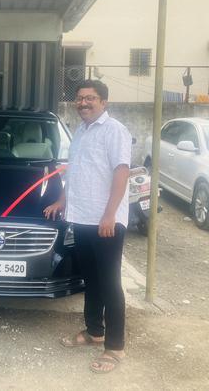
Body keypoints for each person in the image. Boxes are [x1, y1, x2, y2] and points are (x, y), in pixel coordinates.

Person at [44, 79, 131, 374]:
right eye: (80, 98)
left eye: (90, 98)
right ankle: (95, 331)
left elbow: (122, 172)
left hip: (105, 221)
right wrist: (61, 200)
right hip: (80, 217)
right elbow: (76, 173)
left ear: (103, 102)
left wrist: (110, 214)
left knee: (109, 283)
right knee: (91, 280)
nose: (83, 103)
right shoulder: (81, 131)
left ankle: (115, 347)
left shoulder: (115, 131)